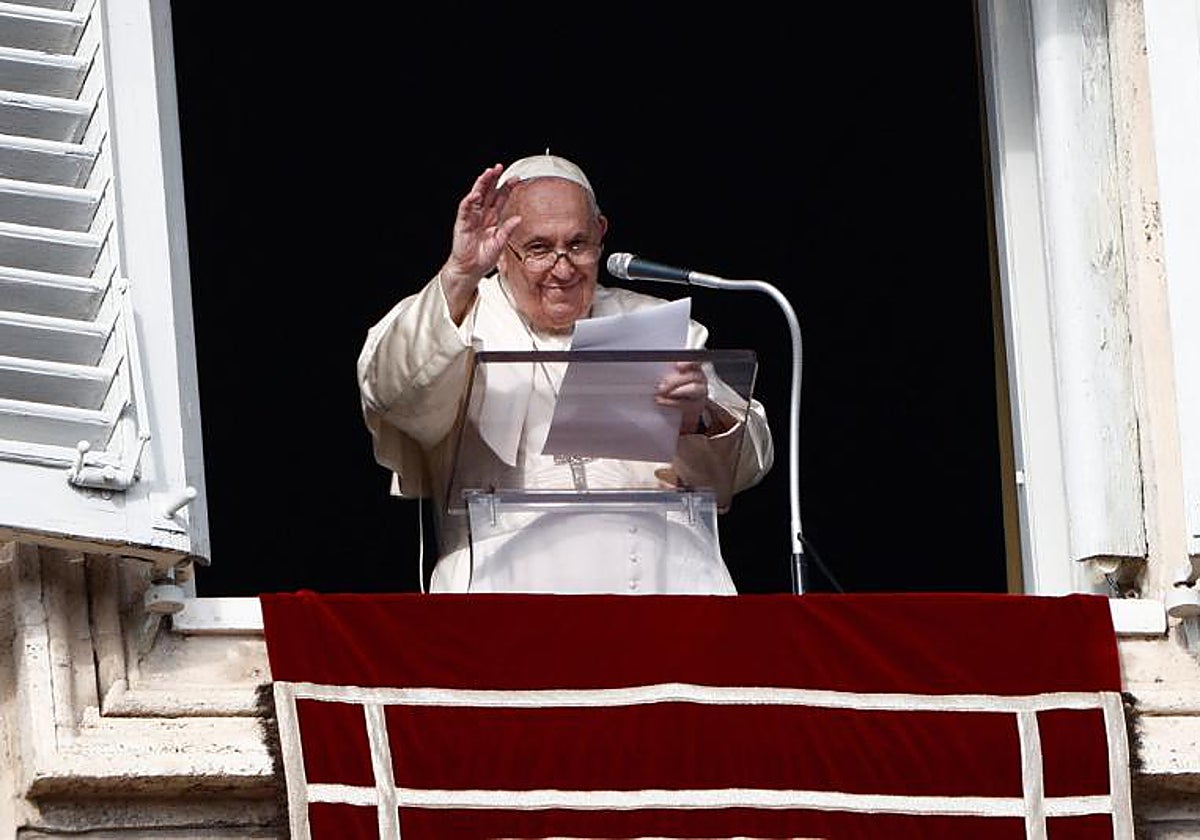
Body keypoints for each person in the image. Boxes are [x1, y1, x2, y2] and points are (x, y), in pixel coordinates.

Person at [357, 153, 773, 594]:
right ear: (502, 249)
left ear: (602, 233)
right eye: (539, 248)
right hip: (505, 590)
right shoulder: (458, 318)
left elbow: (752, 458)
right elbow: (392, 394)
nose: (562, 267)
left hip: (661, 584)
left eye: (578, 245)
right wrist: (459, 275)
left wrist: (699, 419)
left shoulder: (658, 326)